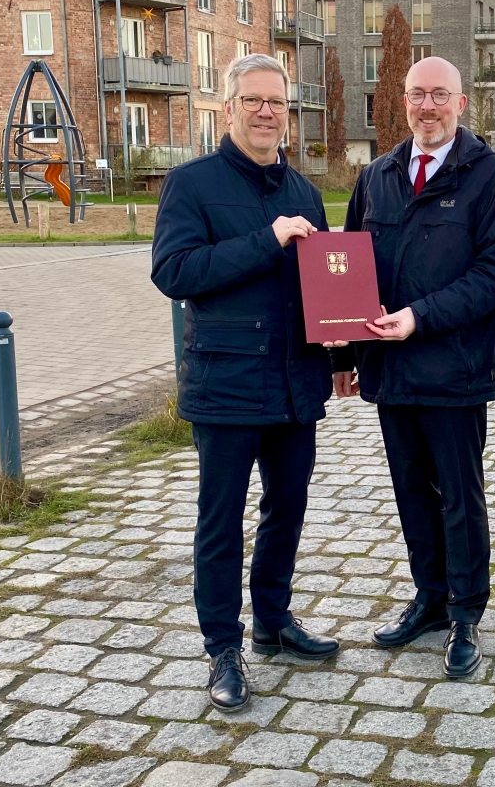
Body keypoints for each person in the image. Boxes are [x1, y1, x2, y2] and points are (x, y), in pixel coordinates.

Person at [151, 53, 340, 713]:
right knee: (220, 524)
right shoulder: (191, 185)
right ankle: (221, 649)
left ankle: (273, 622)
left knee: (286, 512)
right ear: (228, 107)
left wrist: (340, 355)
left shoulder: (304, 192)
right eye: (254, 101)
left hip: (294, 386)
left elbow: (320, 290)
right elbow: (174, 272)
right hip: (226, 387)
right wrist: (268, 240)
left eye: (277, 103)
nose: (266, 113)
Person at [334, 57, 495, 678]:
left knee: (458, 498)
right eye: (418, 95)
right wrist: (342, 354)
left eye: (440, 94)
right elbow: (347, 266)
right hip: (391, 370)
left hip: (455, 368)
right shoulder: (378, 176)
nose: (428, 106)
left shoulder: (490, 177)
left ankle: (465, 611)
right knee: (412, 490)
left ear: (461, 104)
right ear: (404, 103)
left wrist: (419, 315)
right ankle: (430, 597)